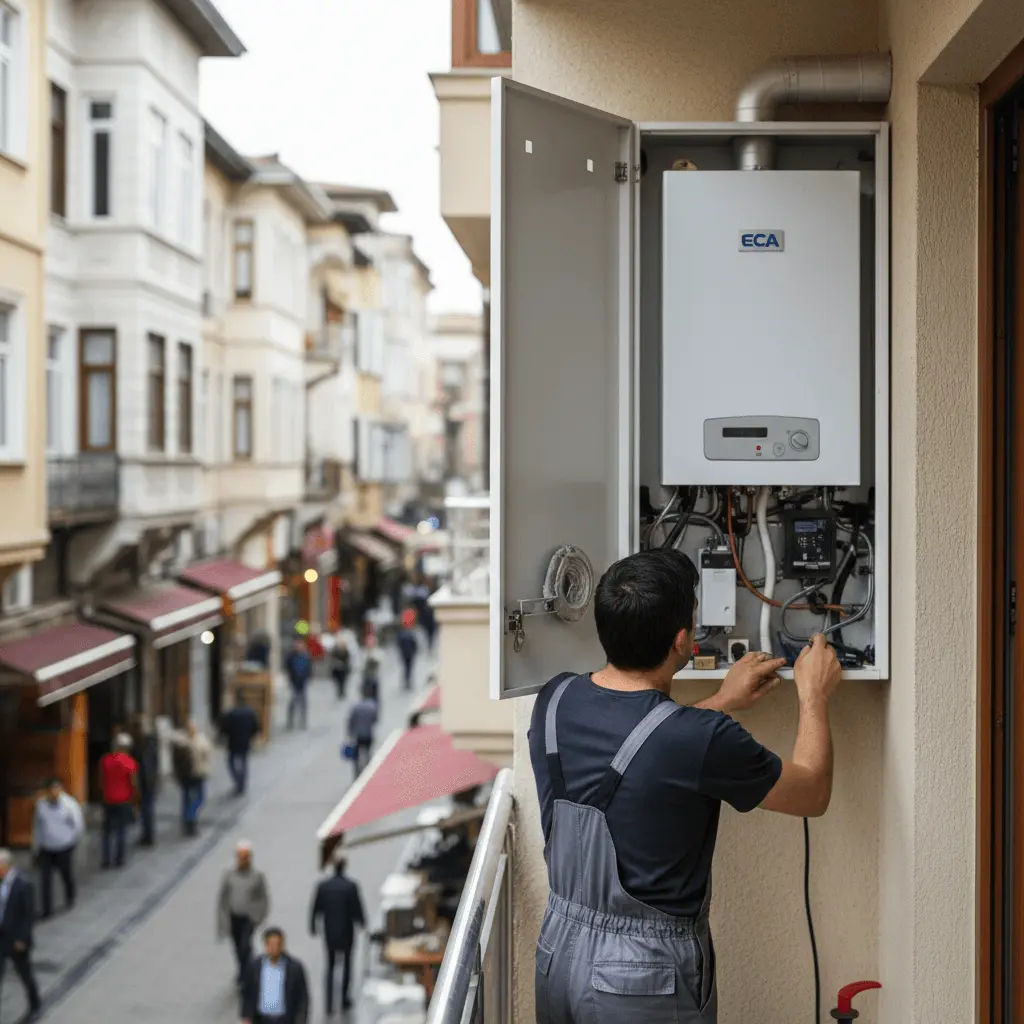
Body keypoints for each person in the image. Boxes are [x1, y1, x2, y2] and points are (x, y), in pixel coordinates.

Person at [528, 548, 842, 1024]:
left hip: (558, 955)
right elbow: (812, 792)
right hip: (641, 977)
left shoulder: (554, 699)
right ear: (682, 641)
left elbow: (650, 746)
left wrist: (721, 699)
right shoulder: (700, 739)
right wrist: (813, 695)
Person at [309, 853, 366, 1015]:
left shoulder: (323, 886)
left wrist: (313, 925)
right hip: (347, 932)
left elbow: (315, 908)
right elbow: (357, 908)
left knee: (330, 966)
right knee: (347, 966)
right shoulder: (350, 886)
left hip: (330, 932)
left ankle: (328, 1003)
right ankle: (344, 999)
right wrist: (362, 922)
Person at [218, 840, 270, 989]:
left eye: (245, 856)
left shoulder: (257, 876)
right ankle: (243, 970)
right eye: (240, 856)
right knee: (237, 947)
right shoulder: (229, 875)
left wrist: (259, 916)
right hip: (234, 917)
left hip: (249, 918)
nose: (243, 859)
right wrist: (222, 918)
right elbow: (223, 897)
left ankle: (247, 974)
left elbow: (263, 897)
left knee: (244, 946)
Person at [31, 778, 83, 919]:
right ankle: (47, 909)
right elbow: (37, 827)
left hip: (64, 846)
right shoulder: (41, 805)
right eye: (51, 790)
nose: (54, 793)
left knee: (66, 874)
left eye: (57, 789)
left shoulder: (69, 804)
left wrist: (73, 841)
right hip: (47, 848)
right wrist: (36, 847)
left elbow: (77, 824)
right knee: (45, 879)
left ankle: (70, 896)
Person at [0, 848, 42, 1022]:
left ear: (6, 866)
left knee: (24, 973)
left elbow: (28, 915)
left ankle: (35, 1003)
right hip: (1, 936)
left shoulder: (23, 884)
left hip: (16, 939)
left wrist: (22, 939)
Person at [241, 926, 310, 1024]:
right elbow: (248, 993)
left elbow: (303, 998)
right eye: (272, 944)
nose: (275, 948)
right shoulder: (255, 967)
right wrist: (247, 1017)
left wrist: (301, 1020)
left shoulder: (294, 968)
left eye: (278, 944)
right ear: (266, 945)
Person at [99, 734, 138, 869]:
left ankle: (106, 860)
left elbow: (101, 779)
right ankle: (119, 859)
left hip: (108, 799)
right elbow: (133, 783)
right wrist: (135, 800)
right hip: (124, 800)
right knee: (122, 830)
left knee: (107, 832)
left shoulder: (106, 760)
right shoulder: (129, 762)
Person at [170, 720, 212, 837]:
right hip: (197, 773)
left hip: (186, 774)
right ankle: (190, 818)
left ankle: (187, 820)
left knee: (187, 798)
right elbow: (206, 755)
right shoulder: (200, 740)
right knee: (200, 798)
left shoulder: (181, 740)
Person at [219, 698, 260, 796]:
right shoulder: (250, 714)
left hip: (233, 743)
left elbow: (224, 729)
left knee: (231, 763)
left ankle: (238, 782)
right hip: (245, 742)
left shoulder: (230, 715)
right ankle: (242, 783)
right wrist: (250, 736)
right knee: (244, 763)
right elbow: (255, 727)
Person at [131, 716, 159, 847]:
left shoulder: (143, 745)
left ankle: (148, 836)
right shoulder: (150, 743)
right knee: (147, 809)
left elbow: (147, 765)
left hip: (146, 782)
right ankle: (148, 835)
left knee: (147, 809)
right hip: (149, 781)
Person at [285, 637, 314, 730]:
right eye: (297, 644)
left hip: (303, 682)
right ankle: (290, 721)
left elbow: (309, 668)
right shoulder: (291, 656)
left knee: (303, 702)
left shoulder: (306, 656)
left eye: (300, 644)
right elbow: (287, 667)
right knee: (293, 702)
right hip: (294, 681)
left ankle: (303, 721)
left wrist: (309, 677)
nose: (298, 646)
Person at [346, 695, 378, 778]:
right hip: (368, 734)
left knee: (355, 755)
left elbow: (350, 721)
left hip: (358, 735)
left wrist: (350, 733)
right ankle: (368, 770)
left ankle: (357, 773)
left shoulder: (356, 708)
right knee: (367, 752)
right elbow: (375, 720)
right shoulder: (372, 707)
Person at [395, 612, 419, 692]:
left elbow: (398, 644)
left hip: (404, 654)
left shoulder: (401, 634)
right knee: (409, 668)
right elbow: (415, 644)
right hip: (410, 654)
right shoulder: (411, 634)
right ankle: (408, 682)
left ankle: (406, 682)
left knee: (405, 668)